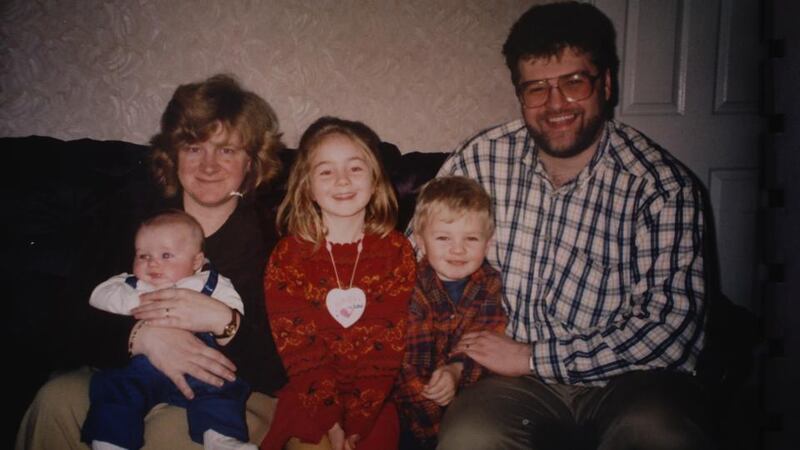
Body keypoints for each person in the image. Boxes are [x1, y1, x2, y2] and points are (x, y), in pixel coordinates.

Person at [428, 3, 714, 449]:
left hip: (629, 382)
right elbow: (414, 262)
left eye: (574, 82)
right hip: (505, 384)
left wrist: (533, 357)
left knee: (661, 436)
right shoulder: (479, 160)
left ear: (606, 83)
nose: (556, 104)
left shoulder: (661, 187)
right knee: (469, 438)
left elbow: (669, 329)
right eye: (536, 89)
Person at [16, 74, 287, 450]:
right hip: (128, 372)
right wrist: (140, 337)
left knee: (169, 434)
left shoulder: (273, 236)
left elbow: (281, 368)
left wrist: (225, 323)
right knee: (56, 400)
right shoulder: (132, 213)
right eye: (194, 148)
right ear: (173, 154)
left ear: (252, 162)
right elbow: (67, 318)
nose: (208, 165)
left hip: (230, 390)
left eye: (226, 150)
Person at [262, 117, 415, 450]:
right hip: (308, 396)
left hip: (374, 403)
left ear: (375, 180)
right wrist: (331, 423)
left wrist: (357, 424)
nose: (342, 180)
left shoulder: (397, 252)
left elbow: (386, 348)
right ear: (307, 186)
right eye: (326, 171)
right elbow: (299, 350)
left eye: (355, 168)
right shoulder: (288, 257)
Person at [82, 210, 254, 450]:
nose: (152, 263)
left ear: (196, 261)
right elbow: (97, 296)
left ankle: (221, 438)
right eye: (143, 255)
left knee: (223, 386)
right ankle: (110, 441)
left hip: (197, 363)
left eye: (166, 255)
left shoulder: (210, 283)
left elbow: (235, 310)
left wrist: (216, 316)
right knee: (114, 387)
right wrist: (137, 303)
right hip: (143, 365)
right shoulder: (129, 284)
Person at [392, 176, 507, 450]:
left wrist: (457, 370)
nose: (458, 249)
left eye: (471, 238)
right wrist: (436, 435)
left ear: (488, 244)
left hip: (468, 401)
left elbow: (486, 342)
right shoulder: (409, 288)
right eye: (443, 237)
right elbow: (408, 369)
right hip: (413, 411)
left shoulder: (491, 284)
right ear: (420, 242)